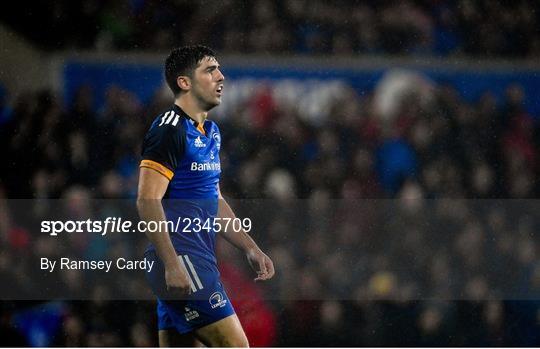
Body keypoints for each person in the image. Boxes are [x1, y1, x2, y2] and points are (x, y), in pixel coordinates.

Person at [136, 45, 275, 347]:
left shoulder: (210, 132)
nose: (221, 76)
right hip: (182, 260)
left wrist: (250, 247)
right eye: (210, 70)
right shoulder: (169, 130)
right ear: (184, 82)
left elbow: (214, 200)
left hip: (195, 260)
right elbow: (147, 200)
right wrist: (173, 263)